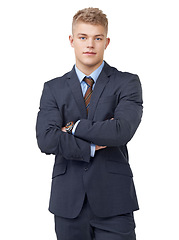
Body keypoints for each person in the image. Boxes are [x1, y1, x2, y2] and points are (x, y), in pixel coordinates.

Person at [36, 7, 143, 240]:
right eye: (83, 37)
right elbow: (46, 139)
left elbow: (121, 131)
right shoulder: (53, 88)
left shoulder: (127, 83)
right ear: (72, 40)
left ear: (107, 42)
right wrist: (91, 147)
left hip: (115, 201)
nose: (90, 45)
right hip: (68, 203)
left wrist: (72, 127)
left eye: (97, 38)